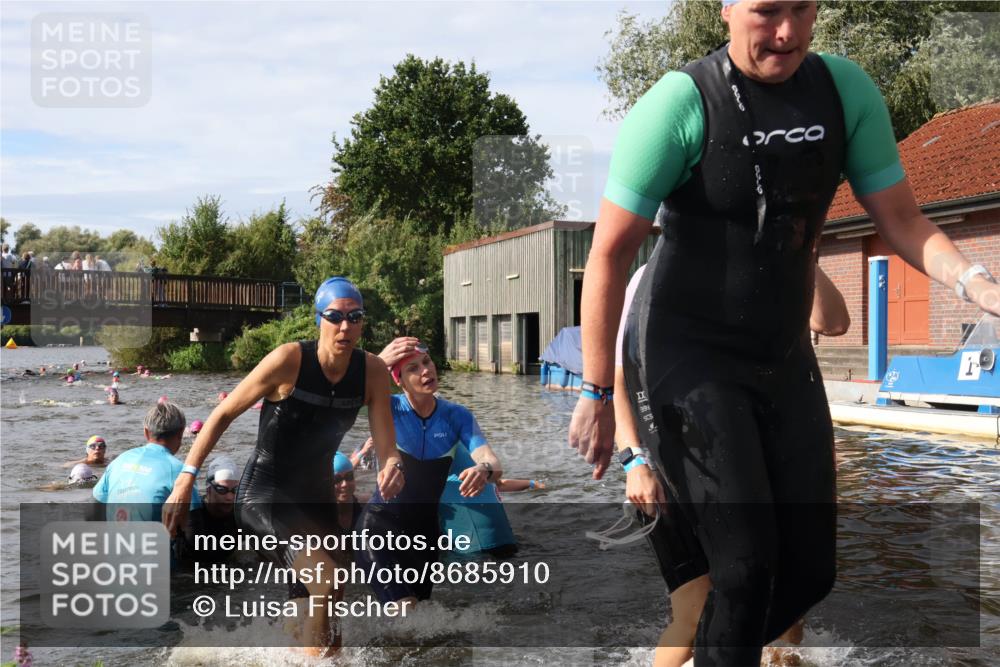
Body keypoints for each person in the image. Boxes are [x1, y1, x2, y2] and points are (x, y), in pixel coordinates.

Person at [568, 2, 1000, 665]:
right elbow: (608, 255)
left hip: (782, 358)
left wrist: (977, 282)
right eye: (768, 11)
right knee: (742, 570)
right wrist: (598, 392)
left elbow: (905, 221)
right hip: (689, 358)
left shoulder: (843, 91)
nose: (788, 32)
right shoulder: (680, 105)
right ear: (726, 9)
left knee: (808, 575)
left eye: (803, 8)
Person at [610, 263, 847, 667]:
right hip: (675, 464)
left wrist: (800, 243)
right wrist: (634, 460)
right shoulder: (654, 275)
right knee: (694, 616)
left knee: (786, 611)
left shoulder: (772, 263)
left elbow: (833, 321)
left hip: (751, 456)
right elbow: (624, 379)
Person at [161, 276, 404, 656]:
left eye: (355, 317)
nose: (345, 326)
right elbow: (223, 413)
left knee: (331, 592)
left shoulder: (372, 370)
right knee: (326, 580)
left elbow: (387, 445)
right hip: (265, 497)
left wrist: (393, 464)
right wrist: (185, 479)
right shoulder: (289, 359)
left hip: (315, 501)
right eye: (335, 316)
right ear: (318, 320)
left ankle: (296, 656)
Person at [356, 342, 502, 608]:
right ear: (398, 380)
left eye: (427, 362)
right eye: (413, 368)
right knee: (404, 608)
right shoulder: (386, 407)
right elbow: (345, 392)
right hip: (379, 526)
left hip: (425, 535)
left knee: (418, 625)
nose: (425, 371)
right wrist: (376, 363)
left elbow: (490, 459)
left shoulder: (456, 415)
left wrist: (484, 469)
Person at [92, 402, 202, 523]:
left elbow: (95, 510)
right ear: (180, 434)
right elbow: (194, 524)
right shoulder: (180, 472)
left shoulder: (119, 460)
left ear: (146, 432)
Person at [193, 455, 240, 563]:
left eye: (235, 490)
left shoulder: (240, 517)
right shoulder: (194, 515)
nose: (229, 497)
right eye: (222, 490)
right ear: (208, 490)